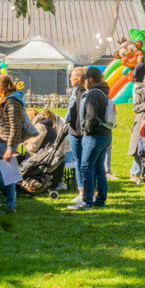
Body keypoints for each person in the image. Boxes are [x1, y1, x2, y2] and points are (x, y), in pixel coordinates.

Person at [68, 67, 113, 210]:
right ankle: (100, 200)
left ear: (91, 79)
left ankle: (86, 201)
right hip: (105, 134)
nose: (84, 81)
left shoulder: (93, 93)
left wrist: (86, 130)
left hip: (94, 135)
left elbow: (91, 115)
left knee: (86, 167)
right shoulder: (103, 91)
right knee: (99, 168)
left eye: (86, 78)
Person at [0, 74, 25, 210]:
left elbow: (15, 126)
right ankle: (9, 204)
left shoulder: (12, 102)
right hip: (1, 139)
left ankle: (5, 199)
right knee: (8, 174)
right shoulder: (5, 99)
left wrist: (10, 148)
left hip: (7, 141)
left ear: (1, 86)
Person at [64, 67, 87, 203]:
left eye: (72, 76)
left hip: (85, 131)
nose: (70, 79)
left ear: (79, 78)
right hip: (73, 131)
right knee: (77, 162)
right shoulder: (74, 91)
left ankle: (90, 191)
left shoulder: (88, 93)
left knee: (87, 162)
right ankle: (81, 191)